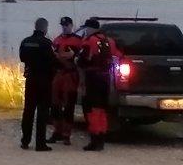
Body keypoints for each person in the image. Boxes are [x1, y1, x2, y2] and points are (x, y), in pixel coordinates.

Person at [77, 16, 117, 152]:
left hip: (92, 78)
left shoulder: (89, 42)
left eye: (86, 29)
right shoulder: (109, 41)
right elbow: (116, 56)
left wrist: (75, 57)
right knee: (102, 109)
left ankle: (94, 139)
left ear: (90, 29)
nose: (85, 31)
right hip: (106, 79)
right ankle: (101, 139)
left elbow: (81, 61)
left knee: (91, 109)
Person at [17, 17, 56, 150]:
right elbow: (53, 61)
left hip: (31, 79)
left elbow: (22, 58)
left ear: (35, 26)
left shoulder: (25, 42)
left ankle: (25, 141)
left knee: (28, 110)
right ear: (45, 28)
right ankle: (40, 143)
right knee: (42, 112)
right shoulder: (47, 43)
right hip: (44, 80)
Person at [49, 15, 83, 145]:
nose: (64, 27)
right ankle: (57, 131)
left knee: (69, 106)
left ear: (71, 26)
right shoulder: (57, 40)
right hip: (59, 75)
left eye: (66, 25)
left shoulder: (78, 41)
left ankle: (66, 134)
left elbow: (82, 59)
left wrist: (74, 56)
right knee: (55, 105)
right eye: (62, 25)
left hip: (71, 75)